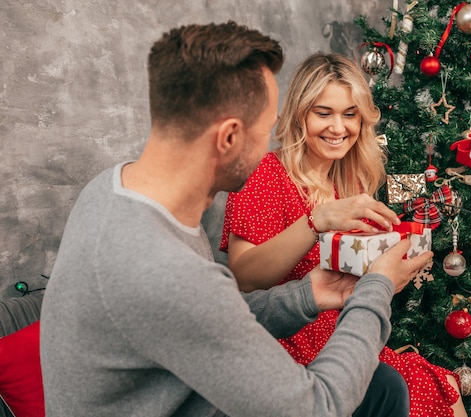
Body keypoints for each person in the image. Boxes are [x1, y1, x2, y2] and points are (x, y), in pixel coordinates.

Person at [39, 22, 433, 417]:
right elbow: (319, 408)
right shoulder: (169, 273)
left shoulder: (109, 189)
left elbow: (209, 317)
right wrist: (377, 286)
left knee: (384, 387)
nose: (273, 143)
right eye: (267, 129)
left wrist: (307, 295)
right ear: (229, 137)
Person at [221, 52, 469, 417]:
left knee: (446, 385)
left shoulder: (348, 182)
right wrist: (315, 222)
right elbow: (242, 276)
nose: (338, 128)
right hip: (287, 342)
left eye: (349, 114)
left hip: (345, 333)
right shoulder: (265, 174)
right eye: (324, 113)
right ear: (300, 114)